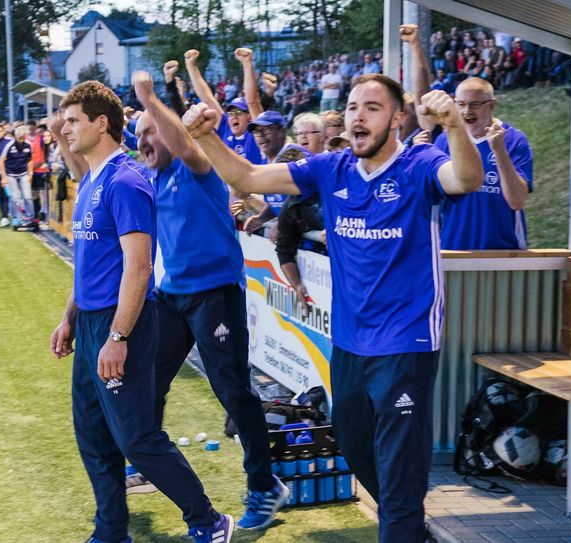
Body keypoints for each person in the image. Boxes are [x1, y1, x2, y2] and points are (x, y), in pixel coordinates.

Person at [182, 73, 484, 543]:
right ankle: (407, 523)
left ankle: (403, 526)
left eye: (372, 107)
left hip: (407, 341)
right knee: (354, 442)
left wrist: (453, 124)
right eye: (351, 106)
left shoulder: (421, 163)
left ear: (398, 119)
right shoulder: (332, 168)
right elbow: (246, 177)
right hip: (348, 340)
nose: (357, 116)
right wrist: (203, 136)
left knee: (399, 464)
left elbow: (467, 177)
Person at [49, 80, 233, 543]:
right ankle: (111, 532)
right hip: (91, 321)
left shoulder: (126, 180)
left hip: (120, 321)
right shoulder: (91, 179)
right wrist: (70, 317)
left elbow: (139, 267)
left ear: (101, 123)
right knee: (93, 436)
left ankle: (208, 521)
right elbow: (91, 263)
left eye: (72, 120)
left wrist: (117, 336)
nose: (63, 128)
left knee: (136, 438)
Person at [132, 70, 288, 530]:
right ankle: (150, 461)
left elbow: (184, 143)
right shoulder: (149, 178)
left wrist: (149, 98)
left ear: (169, 132)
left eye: (150, 131)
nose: (143, 140)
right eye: (138, 133)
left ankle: (264, 486)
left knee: (233, 391)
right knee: (148, 382)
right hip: (171, 296)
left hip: (215, 294)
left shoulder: (195, 164)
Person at [403, 24, 533, 250]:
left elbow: (517, 201)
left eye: (474, 105)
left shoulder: (513, 139)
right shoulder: (446, 140)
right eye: (460, 104)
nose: (466, 112)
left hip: (504, 253)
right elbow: (423, 101)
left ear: (492, 105)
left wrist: (499, 151)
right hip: (452, 251)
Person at [0, 125, 35, 226]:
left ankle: (30, 217)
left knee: (27, 196)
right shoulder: (9, 145)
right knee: (15, 197)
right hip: (11, 174)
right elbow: (1, 161)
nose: (22, 140)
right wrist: (4, 177)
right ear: (16, 136)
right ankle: (16, 218)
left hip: (23, 173)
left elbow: (30, 160)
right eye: (20, 138)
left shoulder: (28, 145)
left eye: (24, 137)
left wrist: (30, 173)